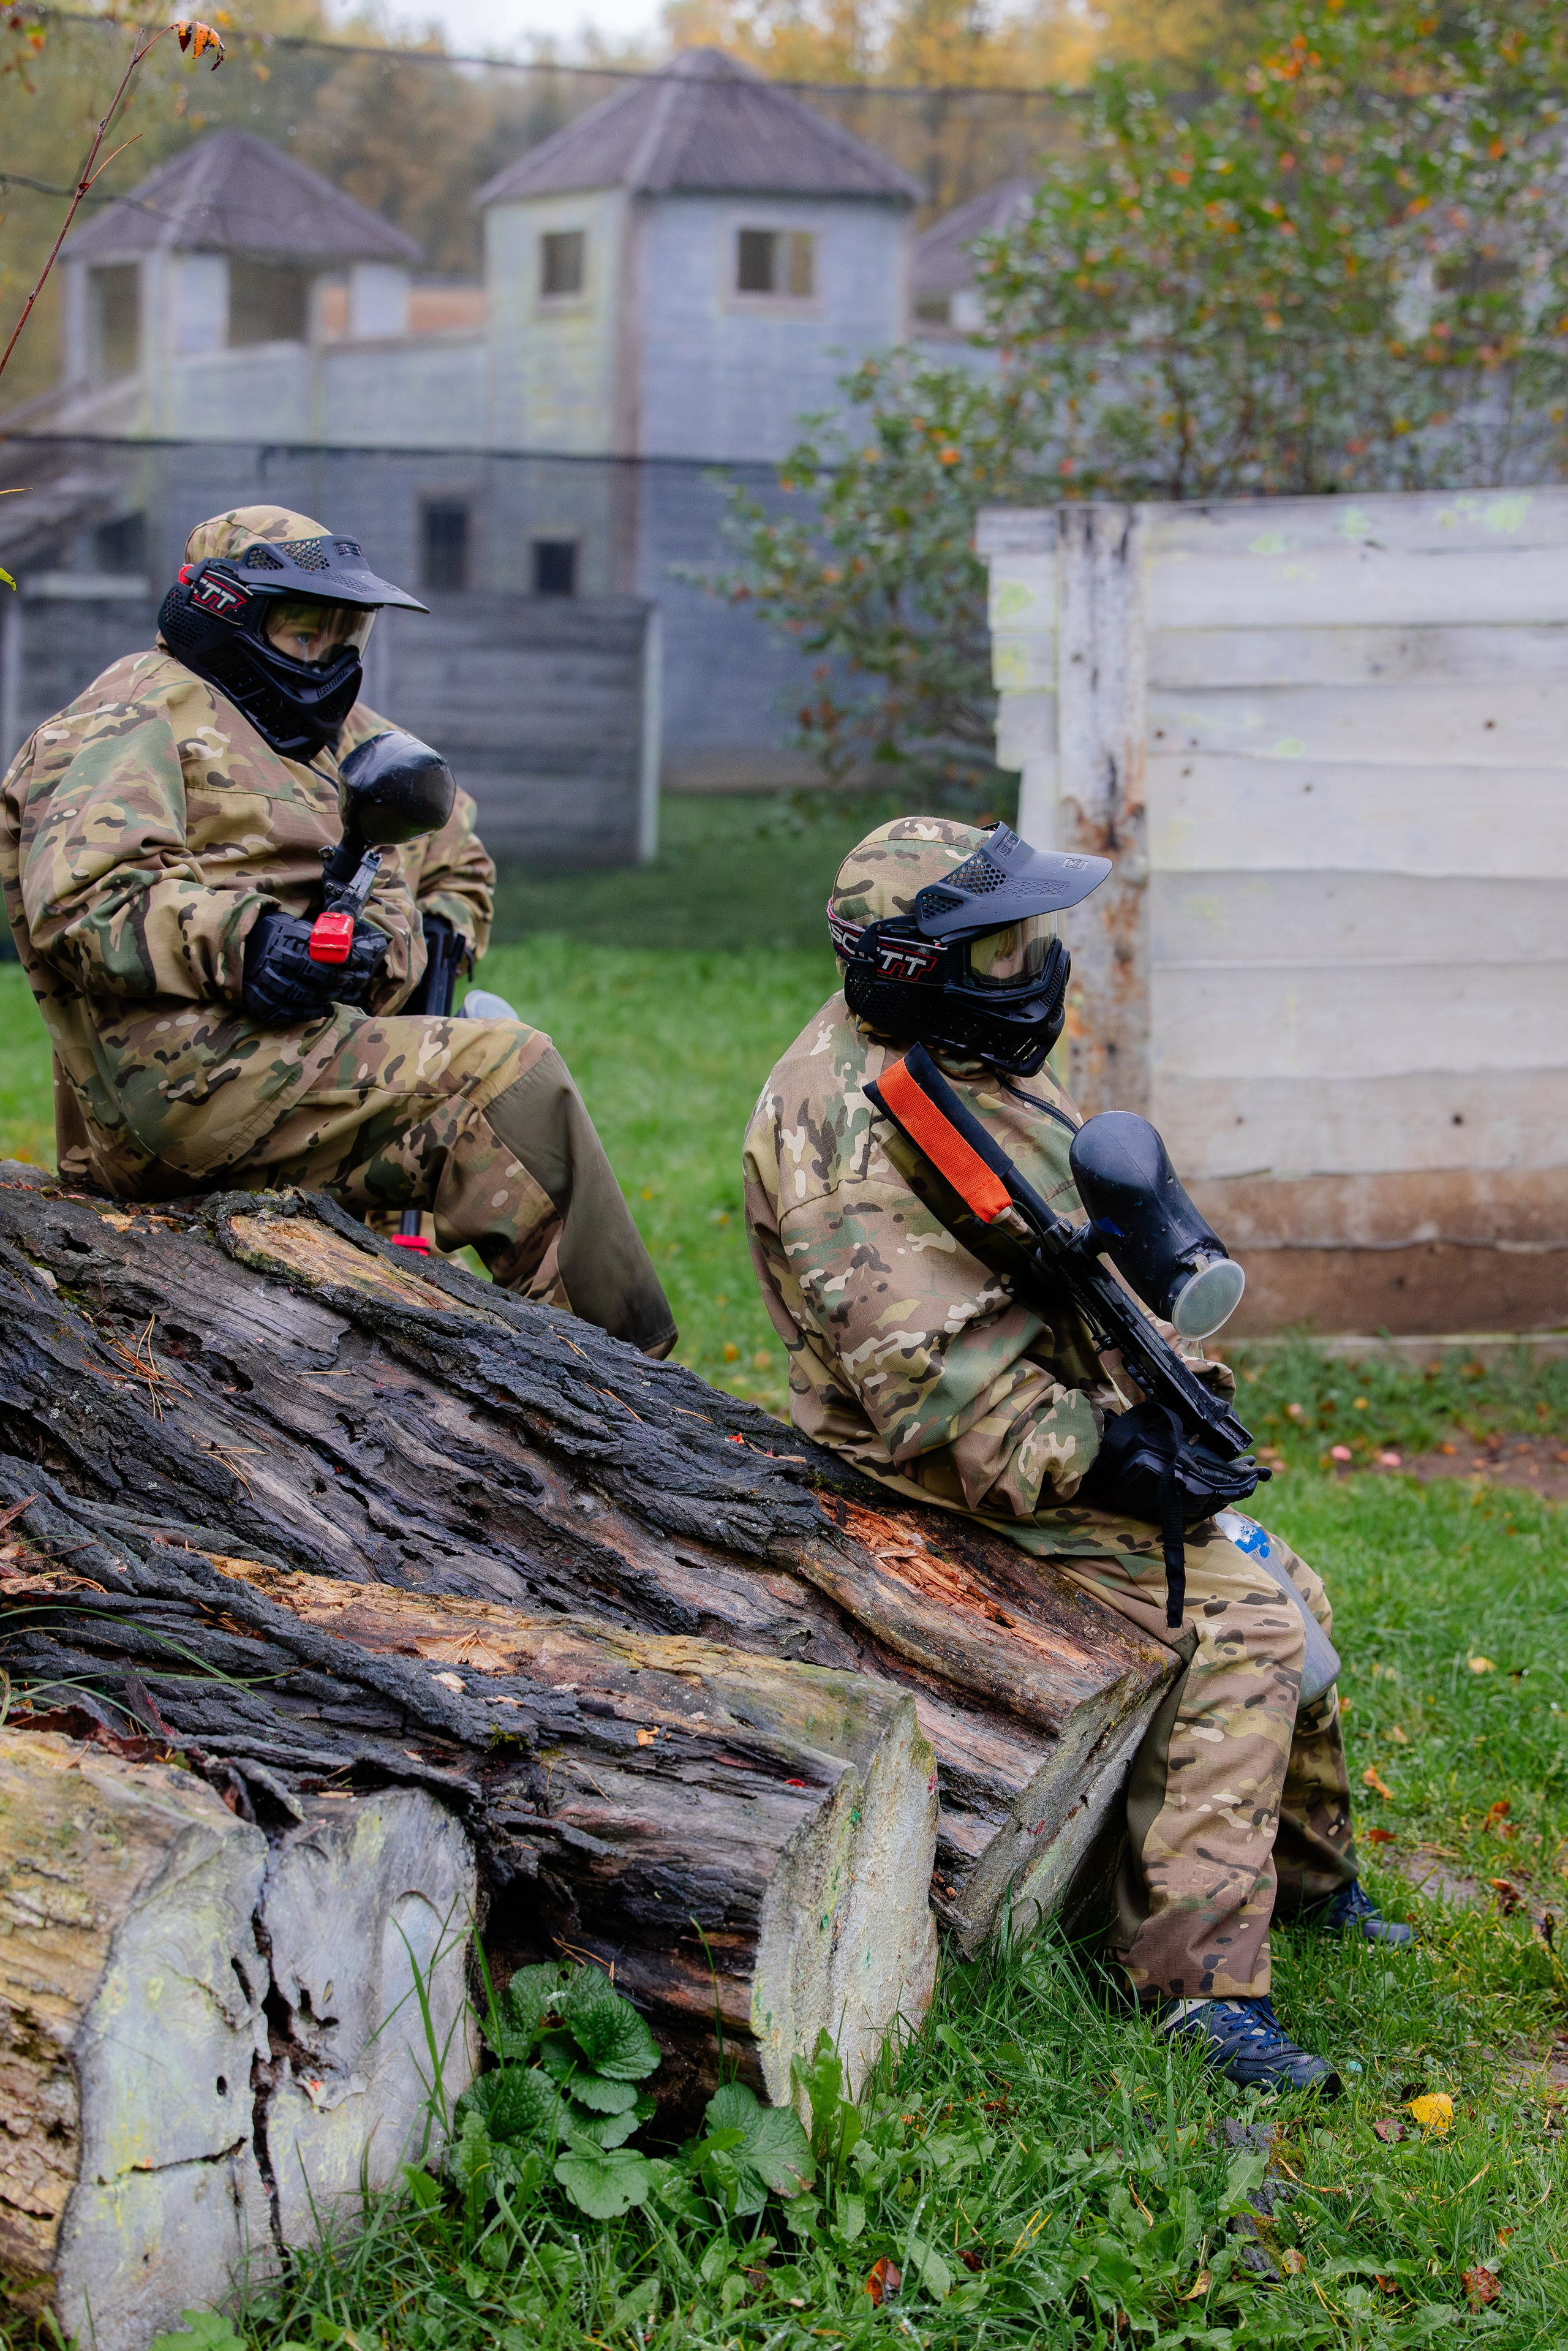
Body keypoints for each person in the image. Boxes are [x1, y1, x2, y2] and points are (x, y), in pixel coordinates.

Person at [743, 815, 1411, 2095]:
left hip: (1057, 1416)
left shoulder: (958, 1060)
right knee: (1242, 1630)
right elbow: (933, 1400)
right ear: (909, 963)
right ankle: (1196, 1989)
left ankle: (1311, 1878)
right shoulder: (839, 1134)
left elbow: (1075, 1252)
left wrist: (1168, 1386)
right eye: (998, 948)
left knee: (1290, 1589)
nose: (1030, 967)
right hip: (934, 1473)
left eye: (1027, 938)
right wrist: (1113, 1456)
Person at [0, 504, 674, 1357]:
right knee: (506, 1079)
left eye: (342, 634)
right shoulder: (131, 714)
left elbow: (454, 850)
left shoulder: (341, 736)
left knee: (487, 1056)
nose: (325, 659)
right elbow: (85, 902)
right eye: (301, 631)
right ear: (225, 614)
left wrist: (436, 936)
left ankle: (602, 1387)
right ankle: (630, 1381)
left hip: (307, 1058)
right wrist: (251, 944)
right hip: (184, 1092)